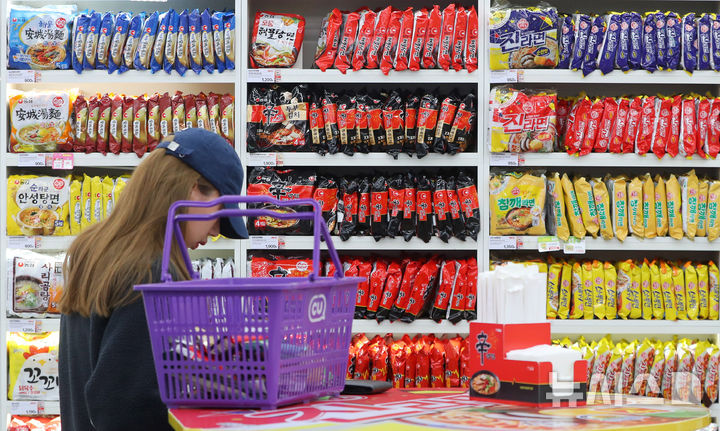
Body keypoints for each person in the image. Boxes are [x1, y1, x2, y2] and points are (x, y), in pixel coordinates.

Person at [58, 129, 247, 431]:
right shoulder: (152, 272)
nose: (216, 231)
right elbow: (126, 407)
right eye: (221, 214)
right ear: (194, 190)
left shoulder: (93, 249)